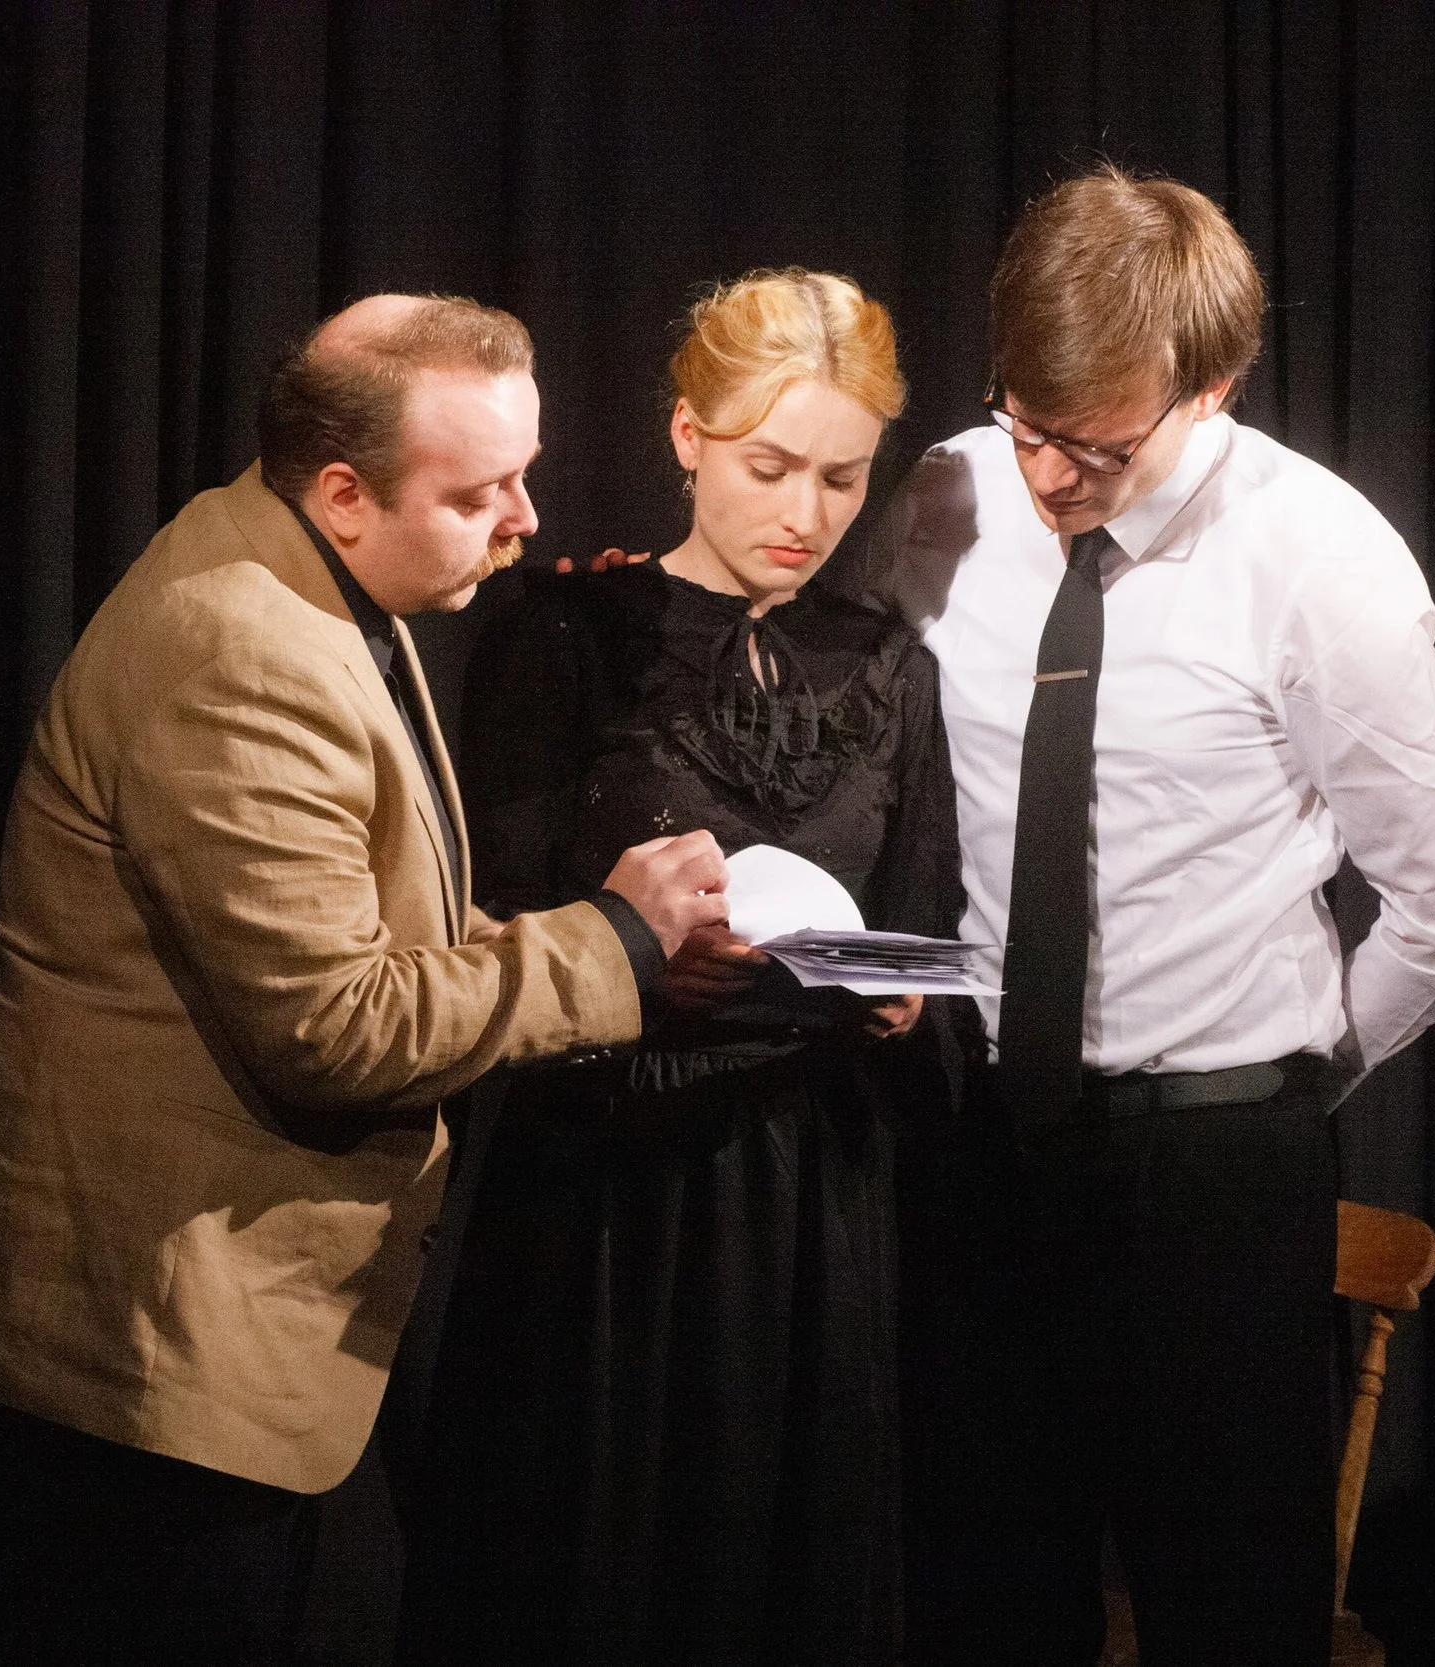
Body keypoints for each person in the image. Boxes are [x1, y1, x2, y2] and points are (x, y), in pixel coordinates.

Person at [0, 294, 729, 1667]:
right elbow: (335, 1023)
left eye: (521, 475)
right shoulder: (239, 649)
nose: (523, 519)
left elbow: (369, 915)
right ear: (344, 493)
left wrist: (629, 957)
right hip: (136, 1372)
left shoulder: (299, 564)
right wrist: (611, 942)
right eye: (475, 493)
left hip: (178, 1339)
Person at [876, 167, 1435, 1665]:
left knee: (1228, 1611)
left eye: (1095, 447)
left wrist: (1281, 1086)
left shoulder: (1317, 560)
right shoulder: (952, 491)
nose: (1047, 476)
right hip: (978, 1144)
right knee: (976, 1598)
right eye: (1025, 421)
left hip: (1211, 1176)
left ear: (1211, 388)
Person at [395, 270, 963, 1667]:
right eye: (771, 467)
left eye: (842, 477)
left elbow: (926, 917)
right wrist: (634, 955)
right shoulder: (565, 631)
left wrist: (901, 995)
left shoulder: (890, 668)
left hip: (813, 1194)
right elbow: (486, 916)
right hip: (613, 1188)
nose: (806, 512)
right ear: (687, 437)